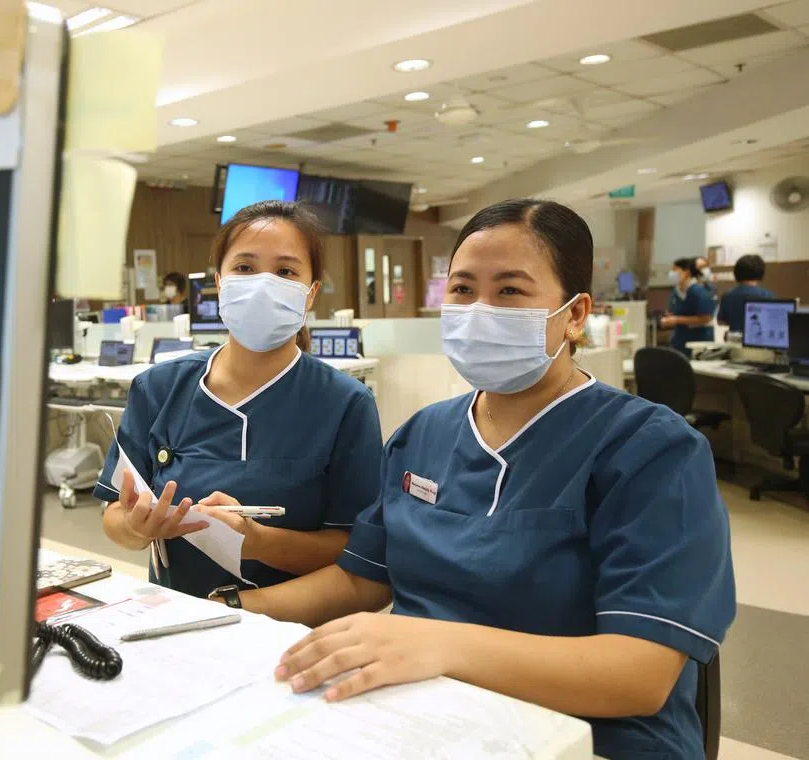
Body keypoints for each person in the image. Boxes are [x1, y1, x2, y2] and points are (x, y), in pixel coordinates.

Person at [225, 199, 735, 760]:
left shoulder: (650, 449)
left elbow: (640, 674)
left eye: (510, 291)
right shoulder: (423, 435)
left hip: (594, 736)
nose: (479, 309)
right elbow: (361, 581)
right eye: (463, 290)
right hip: (424, 716)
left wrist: (435, 643)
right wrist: (229, 610)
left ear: (575, 313)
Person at [96, 200, 383, 599]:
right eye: (245, 268)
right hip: (173, 618)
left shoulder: (345, 404)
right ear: (220, 282)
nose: (263, 283)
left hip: (291, 634)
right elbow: (114, 513)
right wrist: (135, 528)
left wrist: (258, 541)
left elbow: (356, 550)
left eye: (285, 271)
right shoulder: (159, 388)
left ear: (311, 293)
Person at [663, 257, 716, 356]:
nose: (671, 273)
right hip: (680, 341)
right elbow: (671, 310)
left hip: (699, 341)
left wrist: (677, 320)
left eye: (674, 270)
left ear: (686, 272)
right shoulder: (676, 291)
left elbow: (706, 317)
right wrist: (669, 318)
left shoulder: (699, 292)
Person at [717, 254, 774, 334]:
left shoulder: (727, 296)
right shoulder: (767, 295)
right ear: (761, 273)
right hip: (759, 340)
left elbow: (721, 322)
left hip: (734, 341)